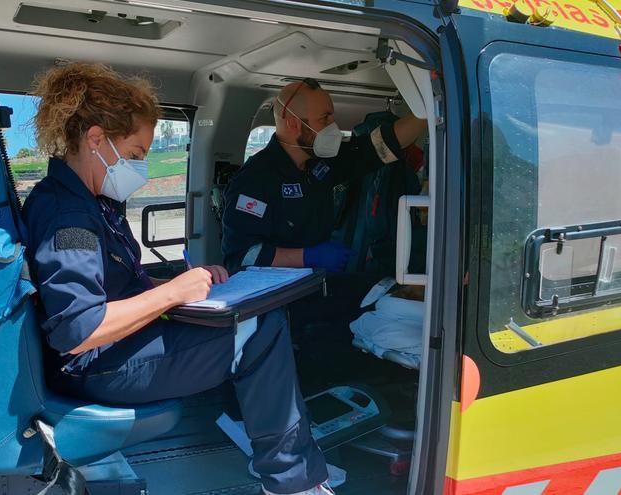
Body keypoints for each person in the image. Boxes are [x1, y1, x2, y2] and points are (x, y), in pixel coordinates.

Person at [22, 63, 333, 495]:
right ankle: (292, 483)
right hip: (98, 365)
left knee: (252, 314)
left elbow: (116, 284)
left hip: (117, 347)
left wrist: (187, 283)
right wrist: (171, 293)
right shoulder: (67, 218)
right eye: (134, 154)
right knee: (263, 328)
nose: (139, 167)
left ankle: (280, 458)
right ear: (96, 140)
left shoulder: (94, 204)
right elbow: (77, 330)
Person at [221, 78, 427, 274]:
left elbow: (382, 145)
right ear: (293, 124)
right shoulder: (254, 179)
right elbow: (241, 257)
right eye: (324, 118)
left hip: (315, 284)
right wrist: (307, 257)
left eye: (332, 117)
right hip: (273, 298)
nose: (332, 125)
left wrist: (427, 106)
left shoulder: (322, 162)